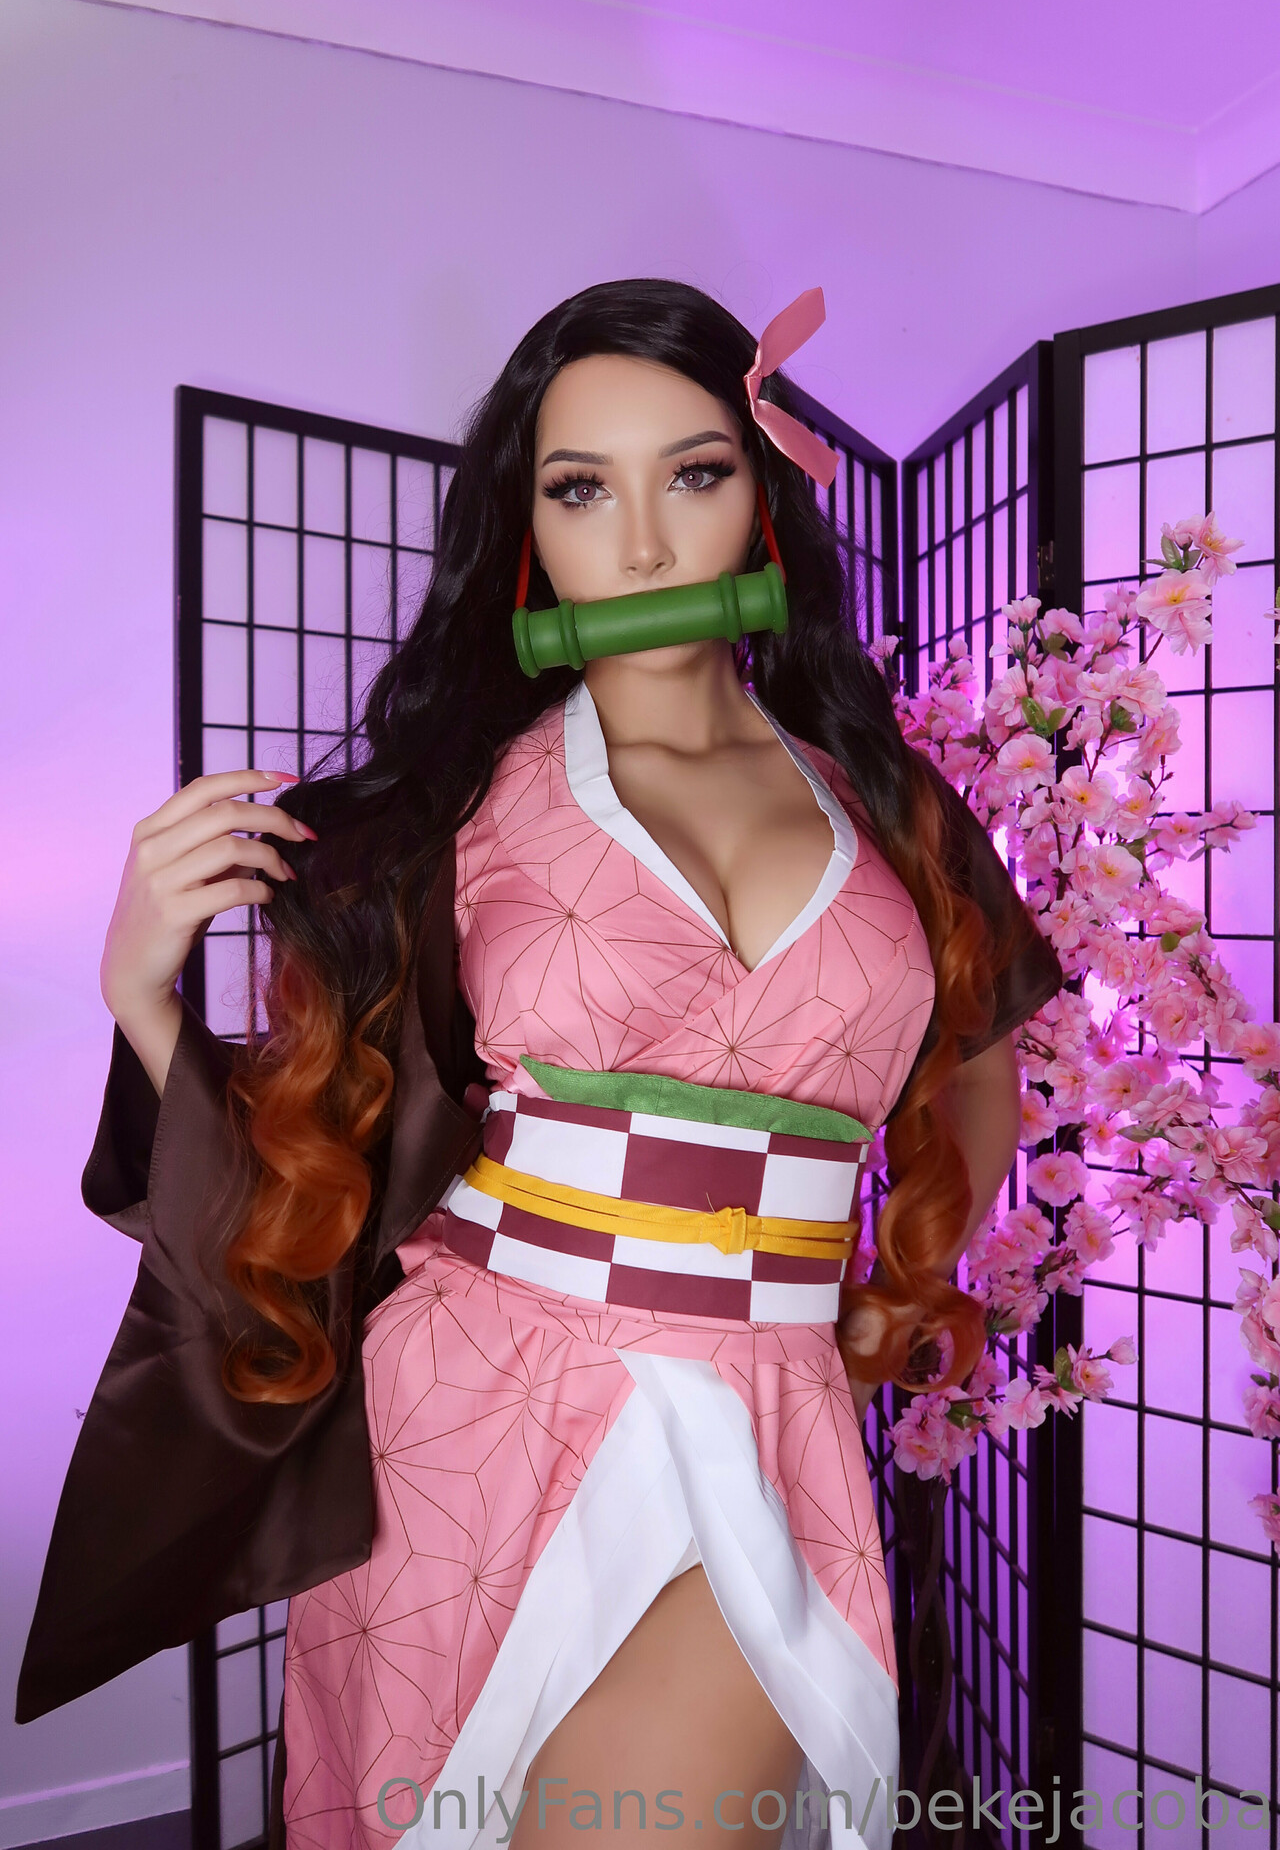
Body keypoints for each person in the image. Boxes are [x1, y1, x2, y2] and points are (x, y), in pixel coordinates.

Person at [17, 281, 1062, 1850]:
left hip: (767, 1404)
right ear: (526, 528)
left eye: (694, 473)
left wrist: (896, 1287)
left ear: (766, 496)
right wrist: (137, 990)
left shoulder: (895, 807)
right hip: (475, 1405)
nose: (641, 543)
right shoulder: (439, 819)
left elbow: (981, 1066)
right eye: (582, 490)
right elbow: (305, 1159)